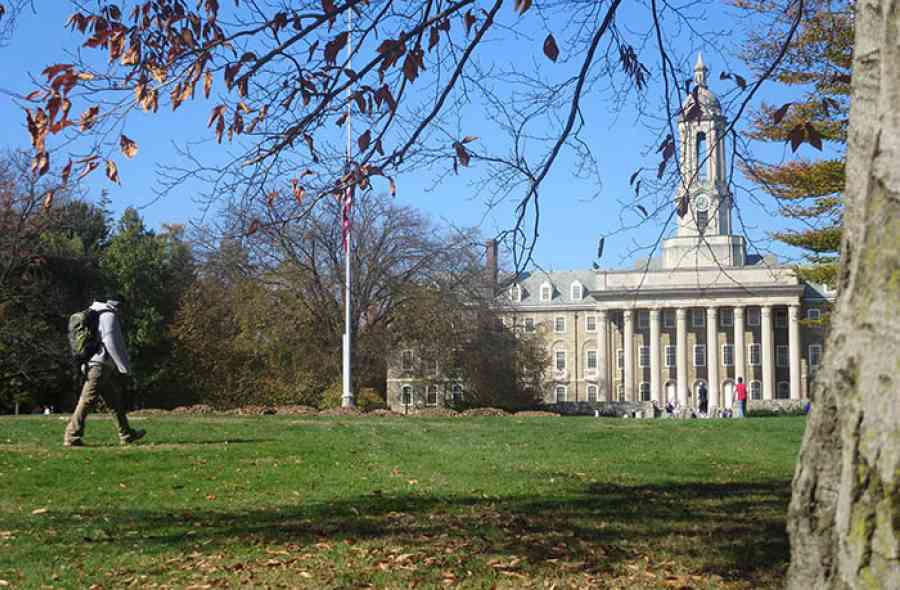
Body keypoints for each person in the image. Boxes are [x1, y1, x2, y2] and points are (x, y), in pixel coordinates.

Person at [64, 296, 145, 447]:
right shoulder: (108, 315)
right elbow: (111, 342)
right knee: (87, 400)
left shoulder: (94, 311)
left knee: (113, 401)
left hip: (93, 363)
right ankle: (71, 435)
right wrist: (124, 367)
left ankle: (126, 434)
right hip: (100, 365)